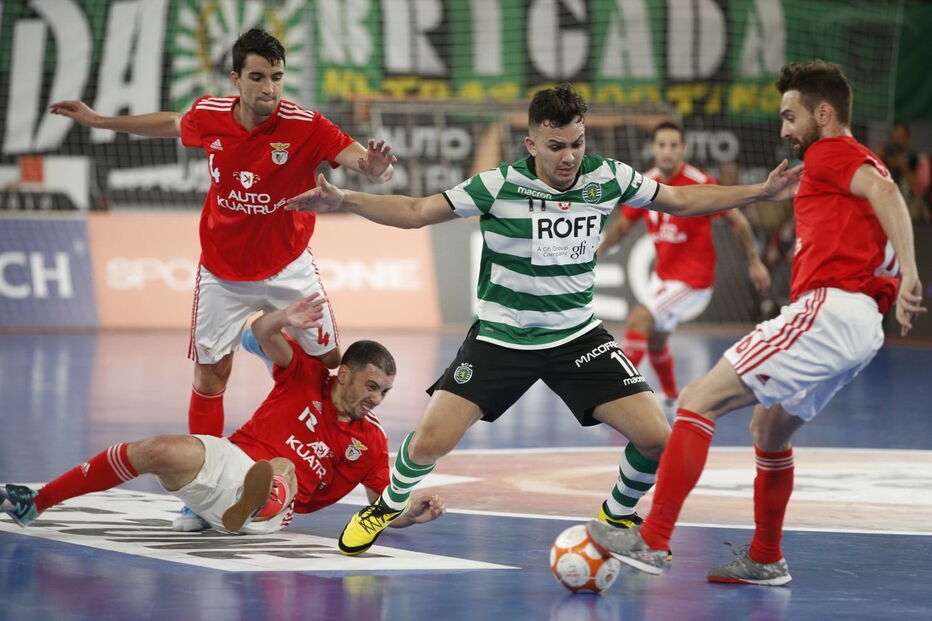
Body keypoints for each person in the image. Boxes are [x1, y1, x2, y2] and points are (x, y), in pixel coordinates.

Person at [282, 84, 802, 556]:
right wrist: (344, 197)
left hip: (577, 336)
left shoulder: (608, 177)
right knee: (429, 442)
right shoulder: (498, 186)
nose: (569, 156)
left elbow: (681, 199)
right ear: (531, 144)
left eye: (577, 142)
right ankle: (386, 504)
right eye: (556, 146)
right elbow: (418, 210)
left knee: (656, 437)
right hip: (501, 337)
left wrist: (760, 191)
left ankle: (614, 517)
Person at [585, 60, 926, 586]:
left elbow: (888, 196)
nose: (784, 129)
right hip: (859, 326)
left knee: (699, 400)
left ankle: (652, 539)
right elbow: (877, 195)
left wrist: (909, 273)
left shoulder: (834, 152)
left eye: (791, 116)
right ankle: (766, 556)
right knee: (769, 429)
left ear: (824, 113)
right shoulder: (850, 161)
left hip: (829, 309)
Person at [48, 28, 397, 439]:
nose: (269, 88)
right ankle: (204, 477)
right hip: (223, 274)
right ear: (236, 79)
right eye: (257, 77)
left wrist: (377, 169)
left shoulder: (307, 125)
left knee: (326, 365)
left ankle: (268, 363)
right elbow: (172, 123)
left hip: (289, 268)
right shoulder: (211, 114)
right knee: (211, 377)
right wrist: (99, 120)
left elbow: (367, 162)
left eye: (277, 77)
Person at [0, 294, 445, 536]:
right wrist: (284, 315)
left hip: (274, 509)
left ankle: (254, 506)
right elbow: (260, 332)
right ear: (342, 374)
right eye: (371, 387)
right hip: (227, 462)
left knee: (281, 467)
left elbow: (379, 509)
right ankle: (35, 503)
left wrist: (410, 513)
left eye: (385, 391)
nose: (377, 399)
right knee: (155, 449)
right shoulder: (305, 375)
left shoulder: (371, 442)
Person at [599, 122, 771, 413]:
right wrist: (597, 251)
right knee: (655, 341)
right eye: (661, 145)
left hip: (693, 281)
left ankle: (620, 399)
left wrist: (754, 261)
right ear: (653, 149)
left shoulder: (698, 180)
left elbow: (737, 220)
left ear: (683, 149)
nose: (667, 152)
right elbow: (624, 225)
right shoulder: (646, 184)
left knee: (639, 320)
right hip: (665, 278)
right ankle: (669, 395)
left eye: (673, 145)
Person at [878, 122, 930, 222]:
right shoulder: (885, 157)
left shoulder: (918, 159)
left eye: (900, 137)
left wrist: (901, 166)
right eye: (894, 138)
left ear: (907, 138)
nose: (897, 142)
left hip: (910, 204)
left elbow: (920, 186)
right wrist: (879, 159)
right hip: (887, 203)